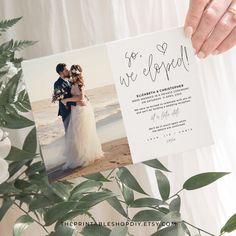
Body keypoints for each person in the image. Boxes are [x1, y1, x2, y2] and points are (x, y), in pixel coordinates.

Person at [61, 64, 103, 170]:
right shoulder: (72, 82)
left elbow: (81, 97)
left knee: (82, 134)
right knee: (77, 134)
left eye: (71, 71)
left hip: (82, 111)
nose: (70, 72)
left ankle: (84, 156)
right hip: (75, 110)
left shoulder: (80, 83)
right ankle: (79, 156)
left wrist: (67, 100)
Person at [54, 63, 76, 132]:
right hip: (66, 110)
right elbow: (60, 98)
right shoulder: (57, 83)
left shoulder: (69, 80)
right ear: (61, 72)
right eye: (66, 70)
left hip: (74, 108)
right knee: (69, 131)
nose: (68, 71)